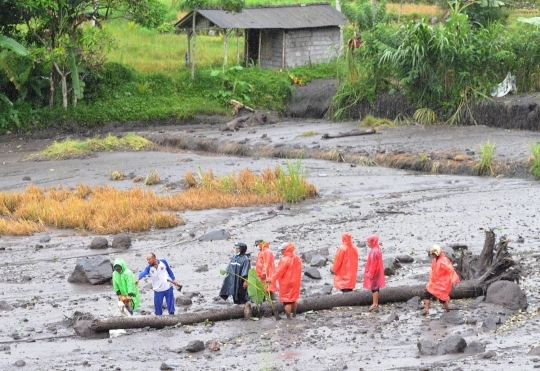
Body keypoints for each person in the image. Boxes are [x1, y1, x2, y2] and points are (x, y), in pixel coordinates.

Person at [424, 244, 460, 315]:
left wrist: (455, 279)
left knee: (442, 299)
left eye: (433, 254)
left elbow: (450, 270)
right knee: (426, 294)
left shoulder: (443, 261)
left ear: (437, 253)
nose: (432, 255)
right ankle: (426, 311)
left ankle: (448, 310)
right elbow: (433, 270)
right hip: (434, 282)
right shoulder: (435, 260)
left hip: (442, 283)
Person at [219, 242, 252, 318]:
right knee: (234, 295)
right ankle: (238, 311)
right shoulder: (234, 257)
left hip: (240, 281)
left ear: (242, 249)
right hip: (233, 281)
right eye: (236, 248)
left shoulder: (245, 259)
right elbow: (229, 268)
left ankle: (245, 312)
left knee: (242, 297)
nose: (236, 250)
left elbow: (246, 271)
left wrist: (245, 281)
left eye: (238, 248)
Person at [271, 242, 302, 319]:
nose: (281, 251)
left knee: (287, 301)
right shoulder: (297, 258)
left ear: (285, 250)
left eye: (282, 250)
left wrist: (272, 279)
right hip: (295, 281)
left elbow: (280, 272)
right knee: (293, 299)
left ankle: (288, 317)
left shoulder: (284, 259)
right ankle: (294, 314)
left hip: (286, 282)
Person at [364, 234, 386, 312]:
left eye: (369, 242)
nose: (368, 243)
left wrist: (370, 273)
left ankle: (374, 303)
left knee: (374, 288)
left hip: (374, 271)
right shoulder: (377, 249)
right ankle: (375, 303)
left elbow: (373, 264)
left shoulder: (374, 251)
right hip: (377, 271)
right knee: (376, 288)